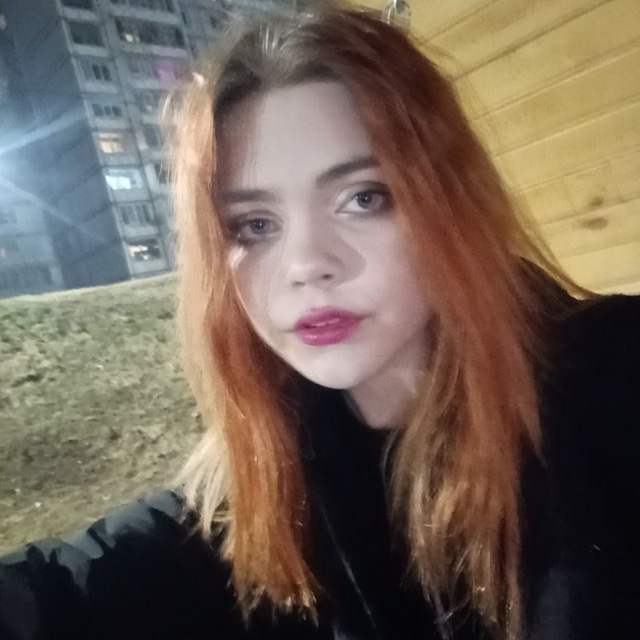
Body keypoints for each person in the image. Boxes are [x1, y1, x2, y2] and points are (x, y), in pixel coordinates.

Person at [1, 4, 639, 640]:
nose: (307, 264)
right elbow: (70, 589)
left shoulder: (614, 377)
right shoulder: (271, 485)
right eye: (255, 225)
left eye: (364, 198)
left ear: (449, 199)